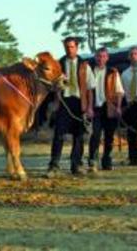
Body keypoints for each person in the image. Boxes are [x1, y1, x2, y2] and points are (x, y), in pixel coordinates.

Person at [46, 37, 95, 177]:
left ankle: (76, 165)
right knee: (59, 135)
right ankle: (54, 166)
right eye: (67, 47)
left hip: (80, 103)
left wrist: (90, 107)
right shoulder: (58, 65)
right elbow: (51, 85)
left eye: (72, 46)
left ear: (77, 47)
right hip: (63, 102)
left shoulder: (85, 65)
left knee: (79, 136)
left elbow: (90, 89)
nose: (69, 49)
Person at [87, 47, 124, 173]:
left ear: (107, 58)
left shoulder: (113, 72)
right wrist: (88, 107)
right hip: (95, 107)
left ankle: (106, 160)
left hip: (109, 107)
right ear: (95, 57)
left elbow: (119, 91)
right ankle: (92, 160)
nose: (100, 59)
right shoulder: (89, 71)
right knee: (95, 135)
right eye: (98, 56)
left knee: (109, 137)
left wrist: (118, 107)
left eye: (103, 56)